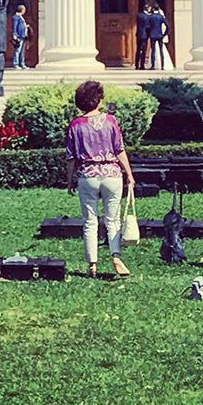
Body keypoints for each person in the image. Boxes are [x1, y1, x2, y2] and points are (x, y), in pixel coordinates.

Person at [65, 79, 134, 278]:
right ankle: (116, 255)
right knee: (113, 220)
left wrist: (69, 180)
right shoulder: (111, 121)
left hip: (88, 175)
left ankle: (92, 265)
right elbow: (119, 149)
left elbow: (71, 157)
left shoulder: (76, 125)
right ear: (98, 99)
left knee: (90, 221)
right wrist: (128, 173)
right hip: (112, 174)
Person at [146, 0, 172, 70]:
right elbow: (168, 26)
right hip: (160, 35)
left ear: (153, 9)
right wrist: (164, 34)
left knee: (153, 51)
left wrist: (148, 34)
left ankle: (153, 65)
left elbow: (147, 26)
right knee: (161, 51)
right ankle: (162, 66)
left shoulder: (150, 17)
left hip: (153, 35)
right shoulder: (161, 17)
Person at [134, 0, 155, 70]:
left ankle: (136, 65)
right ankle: (142, 65)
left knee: (138, 50)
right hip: (145, 35)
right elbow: (148, 26)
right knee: (144, 50)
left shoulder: (139, 15)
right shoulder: (148, 17)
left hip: (139, 34)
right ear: (148, 8)